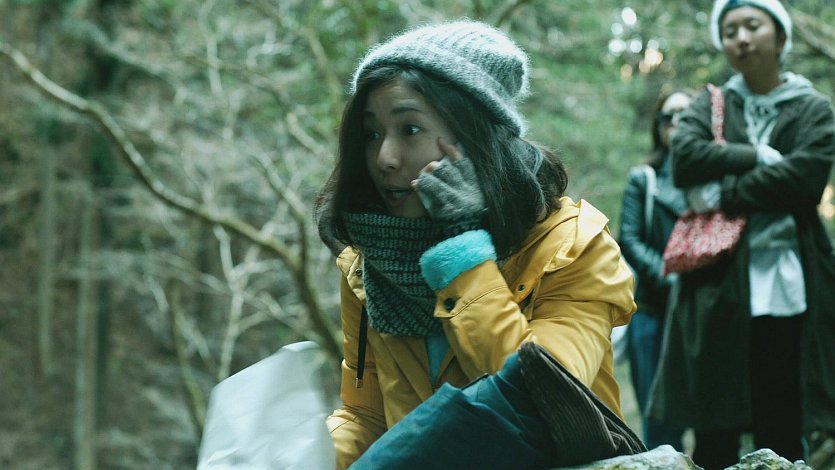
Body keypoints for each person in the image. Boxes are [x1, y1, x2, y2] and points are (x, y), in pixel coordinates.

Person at [314, 20, 641, 469]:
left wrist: (463, 252)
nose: (384, 158)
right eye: (372, 134)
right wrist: (299, 457)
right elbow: (367, 416)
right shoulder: (369, 262)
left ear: (474, 138)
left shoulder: (574, 248)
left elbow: (543, 401)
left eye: (410, 129)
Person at [647, 1, 835, 468]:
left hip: (790, 279)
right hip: (718, 286)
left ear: (780, 35)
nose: (741, 38)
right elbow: (685, 157)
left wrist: (724, 192)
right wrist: (756, 157)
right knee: (715, 427)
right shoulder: (710, 103)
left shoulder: (813, 108)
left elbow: (804, 181)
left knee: (782, 419)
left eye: (753, 25)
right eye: (730, 31)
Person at [617, 87, 694, 451]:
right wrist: (669, 278)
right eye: (667, 117)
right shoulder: (643, 180)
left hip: (699, 315)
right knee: (657, 417)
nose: (675, 123)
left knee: (708, 419)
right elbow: (629, 239)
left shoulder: (712, 182)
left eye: (685, 115)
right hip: (652, 312)